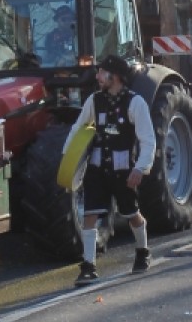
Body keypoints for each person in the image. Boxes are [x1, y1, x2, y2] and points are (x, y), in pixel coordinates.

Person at [64, 54, 155, 287]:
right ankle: (88, 266)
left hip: (124, 171)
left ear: (114, 76)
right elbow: (78, 128)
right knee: (90, 215)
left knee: (131, 214)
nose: (97, 76)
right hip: (97, 168)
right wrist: (67, 158)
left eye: (102, 72)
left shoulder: (136, 103)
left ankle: (142, 251)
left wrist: (140, 168)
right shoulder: (94, 101)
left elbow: (148, 140)